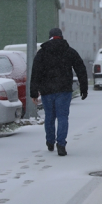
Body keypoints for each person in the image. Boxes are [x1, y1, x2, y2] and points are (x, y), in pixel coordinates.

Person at [30, 28, 88, 156]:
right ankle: (61, 144)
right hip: (64, 90)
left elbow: (36, 72)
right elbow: (81, 68)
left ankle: (50, 141)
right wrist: (84, 87)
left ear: (50, 37)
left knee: (49, 117)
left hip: (47, 90)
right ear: (61, 36)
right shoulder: (69, 51)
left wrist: (34, 92)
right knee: (62, 117)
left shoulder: (43, 52)